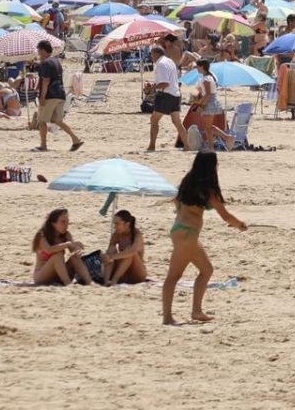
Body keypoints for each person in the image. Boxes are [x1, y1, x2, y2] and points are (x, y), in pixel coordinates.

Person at [162, 152, 247, 325]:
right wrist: (240, 225)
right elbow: (225, 215)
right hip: (188, 233)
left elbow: (177, 202)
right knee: (173, 276)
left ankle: (196, 311)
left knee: (207, 269)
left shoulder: (188, 180)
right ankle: (168, 317)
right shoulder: (209, 189)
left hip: (179, 230)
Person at [32, 42, 81, 153]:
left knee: (41, 121)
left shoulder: (45, 63)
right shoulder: (56, 61)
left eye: (39, 50)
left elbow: (46, 81)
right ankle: (75, 139)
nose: (38, 53)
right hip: (60, 94)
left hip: (50, 95)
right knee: (57, 120)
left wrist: (42, 97)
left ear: (44, 50)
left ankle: (43, 146)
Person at [32, 208, 98, 286]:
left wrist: (77, 248)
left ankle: (89, 282)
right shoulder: (42, 235)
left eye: (67, 221)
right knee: (58, 255)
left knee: (75, 257)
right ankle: (68, 283)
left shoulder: (66, 235)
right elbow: (49, 250)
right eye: (63, 221)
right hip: (43, 276)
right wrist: (67, 244)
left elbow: (72, 249)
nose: (66, 224)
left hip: (60, 274)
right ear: (53, 223)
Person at [148, 34, 186, 152]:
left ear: (155, 54)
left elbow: (165, 83)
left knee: (154, 120)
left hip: (166, 95)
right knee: (177, 122)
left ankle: (152, 145)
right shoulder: (169, 61)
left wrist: (152, 88)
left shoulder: (161, 64)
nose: (151, 57)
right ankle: (188, 145)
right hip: (175, 94)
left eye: (151, 55)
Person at [103, 209, 148, 284]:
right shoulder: (116, 234)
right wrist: (107, 256)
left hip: (136, 273)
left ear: (127, 224)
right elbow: (110, 251)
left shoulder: (136, 234)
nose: (115, 227)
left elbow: (132, 251)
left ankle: (114, 280)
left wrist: (112, 257)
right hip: (122, 271)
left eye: (117, 224)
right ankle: (106, 281)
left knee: (129, 252)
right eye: (114, 224)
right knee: (111, 250)